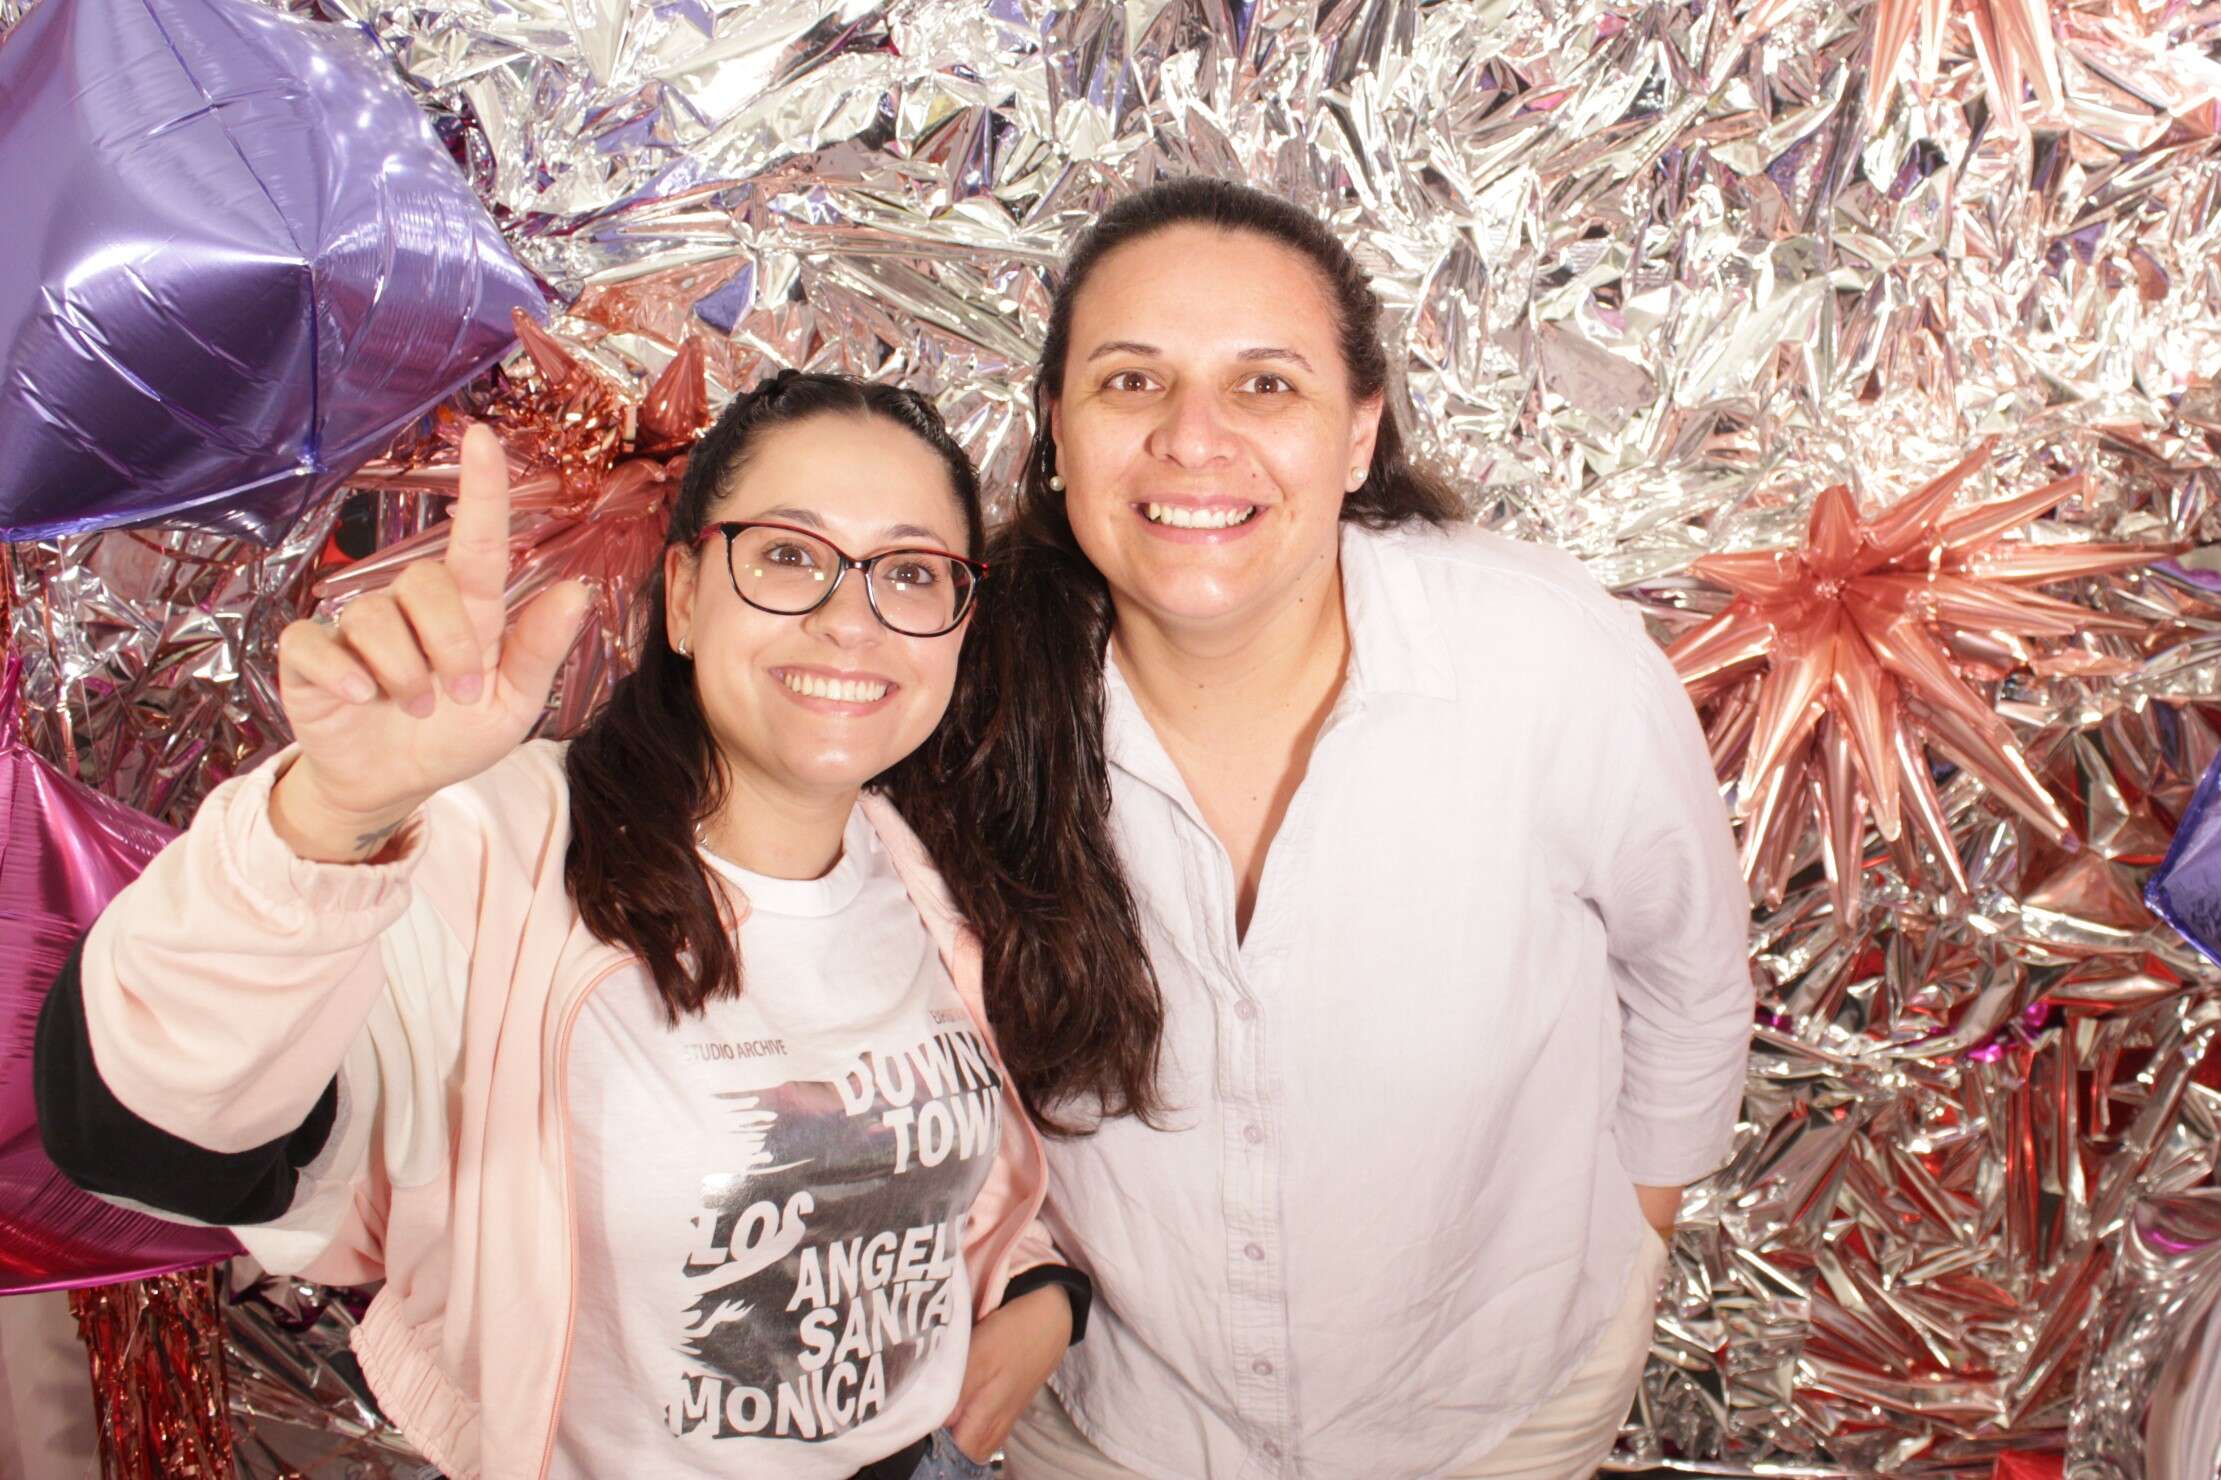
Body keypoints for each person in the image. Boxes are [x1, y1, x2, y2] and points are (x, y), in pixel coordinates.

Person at [35, 373, 1089, 1480]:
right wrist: (333, 819)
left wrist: (1035, 1290)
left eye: (910, 572)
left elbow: (907, 1165)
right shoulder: (495, 850)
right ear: (683, 597)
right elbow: (141, 1137)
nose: (850, 619)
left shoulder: (920, 866)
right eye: (787, 554)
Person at [908, 178, 1757, 1478]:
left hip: (1499, 1414)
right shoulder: (945, 697)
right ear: (1057, 431)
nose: (1194, 439)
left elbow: (1687, 972)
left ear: (1358, 435)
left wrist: (1640, 1232)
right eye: (1132, 381)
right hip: (1118, 1429)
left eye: (1265, 385)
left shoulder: (1546, 659)